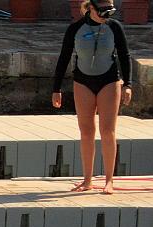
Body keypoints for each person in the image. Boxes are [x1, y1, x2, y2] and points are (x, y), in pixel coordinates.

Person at [52, 0, 132, 195]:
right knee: (86, 132)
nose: (106, 17)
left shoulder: (114, 27)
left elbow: (124, 55)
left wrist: (128, 84)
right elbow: (64, 57)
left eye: (109, 12)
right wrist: (56, 88)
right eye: (102, 12)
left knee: (107, 131)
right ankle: (87, 180)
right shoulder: (75, 28)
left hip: (109, 82)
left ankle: (109, 180)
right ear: (90, 9)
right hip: (83, 82)